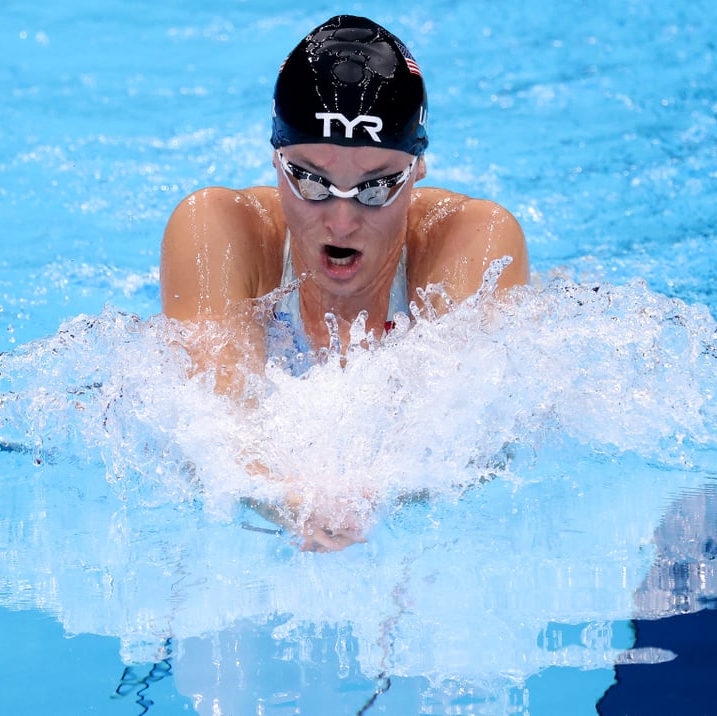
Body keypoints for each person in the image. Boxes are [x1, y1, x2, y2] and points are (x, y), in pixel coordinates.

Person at [160, 15, 529, 550]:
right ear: (275, 157)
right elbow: (214, 424)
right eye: (310, 180)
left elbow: (459, 444)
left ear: (418, 167)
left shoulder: (474, 241)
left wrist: (357, 498)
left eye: (376, 187)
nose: (340, 221)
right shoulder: (217, 229)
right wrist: (296, 499)